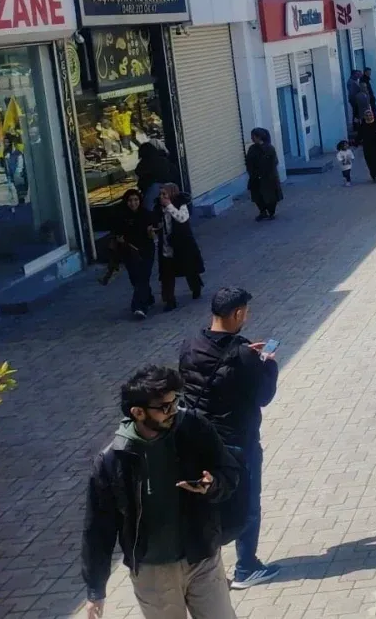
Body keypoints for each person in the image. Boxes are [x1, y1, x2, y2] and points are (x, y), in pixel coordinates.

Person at [82, 365, 242, 619]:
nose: (173, 411)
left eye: (175, 402)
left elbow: (230, 471)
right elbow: (98, 528)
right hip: (152, 573)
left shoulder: (193, 427)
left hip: (201, 557)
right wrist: (95, 590)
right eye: (165, 407)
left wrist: (213, 485)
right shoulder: (112, 460)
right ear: (138, 412)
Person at [177, 287, 281, 588]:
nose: (246, 317)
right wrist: (268, 363)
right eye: (245, 312)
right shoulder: (242, 354)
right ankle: (247, 567)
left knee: (209, 502)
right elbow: (264, 395)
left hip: (202, 440)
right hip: (239, 442)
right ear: (237, 313)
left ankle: (204, 571)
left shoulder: (190, 344)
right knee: (247, 502)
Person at [110, 189, 158, 320]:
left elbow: (155, 230)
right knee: (135, 278)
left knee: (143, 276)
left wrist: (151, 232)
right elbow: (116, 232)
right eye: (130, 200)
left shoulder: (147, 214)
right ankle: (148, 297)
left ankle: (139, 307)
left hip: (146, 250)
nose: (133, 203)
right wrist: (119, 239)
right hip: (129, 251)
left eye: (136, 200)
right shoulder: (121, 217)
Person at [156, 184, 204, 311]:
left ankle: (196, 287)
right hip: (166, 245)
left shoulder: (181, 204)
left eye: (164, 194)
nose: (162, 197)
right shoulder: (158, 208)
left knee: (189, 268)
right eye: (160, 194)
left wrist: (169, 206)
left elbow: (182, 218)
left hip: (182, 244)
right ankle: (169, 300)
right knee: (167, 274)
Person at [244, 129, 281, 221]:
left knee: (271, 196)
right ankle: (263, 212)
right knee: (257, 196)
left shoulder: (269, 148)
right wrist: (252, 173)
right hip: (256, 177)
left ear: (259, 137)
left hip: (269, 177)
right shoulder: (252, 149)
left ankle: (271, 212)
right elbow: (248, 162)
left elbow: (274, 162)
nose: (252, 138)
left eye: (254, 136)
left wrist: (267, 173)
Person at [351, 109, 376, 183]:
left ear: (373, 115)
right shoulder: (363, 126)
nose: (369, 117)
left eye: (370, 115)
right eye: (367, 115)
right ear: (364, 117)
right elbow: (359, 136)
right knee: (369, 161)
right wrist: (355, 144)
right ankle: (373, 175)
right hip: (367, 146)